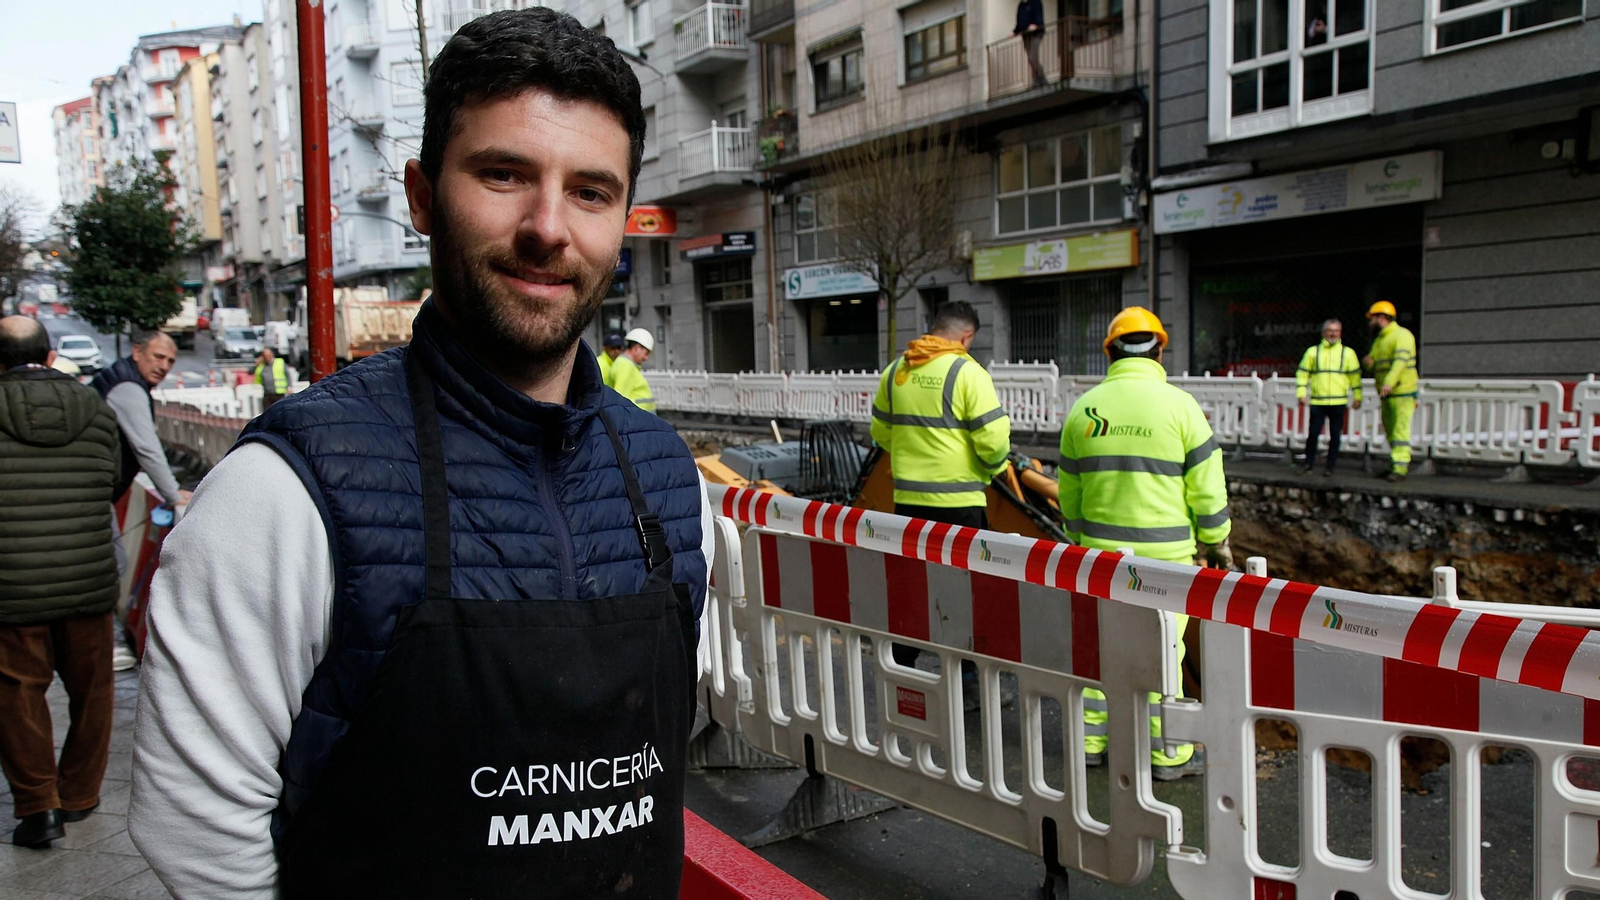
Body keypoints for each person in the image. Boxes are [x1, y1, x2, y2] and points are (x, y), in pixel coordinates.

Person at [130, 10, 714, 898]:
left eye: (590, 192)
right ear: (420, 195)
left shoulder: (672, 483)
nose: (548, 226)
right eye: (503, 174)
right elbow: (197, 832)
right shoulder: (284, 493)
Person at [1058, 306, 1231, 781]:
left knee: (1100, 647)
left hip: (1100, 556)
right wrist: (1216, 542)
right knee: (1164, 654)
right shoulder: (1181, 407)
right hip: (1167, 560)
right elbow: (1207, 489)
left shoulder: (1084, 409)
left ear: (1110, 352)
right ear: (1159, 352)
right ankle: (1167, 753)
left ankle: (1090, 742)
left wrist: (1080, 537)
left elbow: (1069, 491)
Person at [0, 316, 122, 849]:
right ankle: (79, 794)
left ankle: (38, 808)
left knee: (17, 693)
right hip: (87, 577)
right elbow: (112, 478)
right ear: (50, 356)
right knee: (92, 691)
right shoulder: (94, 406)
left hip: (11, 583)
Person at [870, 301, 1010, 682]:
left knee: (913, 590)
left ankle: (902, 672)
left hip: (908, 505)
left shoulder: (896, 371)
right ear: (966, 336)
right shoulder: (968, 373)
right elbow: (994, 442)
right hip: (961, 506)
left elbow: (880, 433)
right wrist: (993, 467)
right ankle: (968, 680)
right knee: (964, 592)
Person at [88, 330, 190, 671]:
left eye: (170, 361)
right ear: (137, 353)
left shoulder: (122, 380)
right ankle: (100, 645)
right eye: (158, 357)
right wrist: (172, 494)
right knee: (109, 564)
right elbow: (147, 447)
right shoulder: (128, 388)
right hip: (93, 493)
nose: (164, 366)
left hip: (95, 490)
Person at [1295, 318, 1362, 476]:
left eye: (1336, 331)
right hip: (1318, 401)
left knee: (1335, 436)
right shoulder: (1313, 352)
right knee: (1313, 434)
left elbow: (1355, 377)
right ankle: (1308, 464)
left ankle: (1330, 466)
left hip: (1339, 401)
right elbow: (1303, 374)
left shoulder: (1348, 353)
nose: (1333, 334)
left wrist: (1358, 396)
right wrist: (1301, 393)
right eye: (1330, 331)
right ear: (1323, 333)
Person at [1362, 301, 1418, 481]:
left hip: (1402, 390)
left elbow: (1400, 362)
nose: (1370, 322)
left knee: (1399, 429)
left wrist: (1388, 383)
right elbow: (1375, 364)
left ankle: (1400, 468)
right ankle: (1395, 463)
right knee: (1391, 429)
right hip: (1388, 392)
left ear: (1381, 317)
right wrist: (1368, 363)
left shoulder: (1402, 335)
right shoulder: (1381, 340)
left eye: (1372, 318)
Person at [606, 326, 656, 412]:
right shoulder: (624, 365)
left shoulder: (626, 365)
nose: (646, 358)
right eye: (646, 353)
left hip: (638, 417)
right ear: (637, 348)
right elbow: (620, 400)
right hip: (637, 418)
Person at [1014, 0, 1046, 87]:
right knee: (1030, 59)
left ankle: (1041, 78)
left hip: (1036, 34)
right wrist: (1015, 32)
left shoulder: (1035, 2)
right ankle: (1036, 79)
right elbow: (1019, 22)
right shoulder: (1021, 5)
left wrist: (1035, 25)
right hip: (1026, 35)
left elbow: (1039, 16)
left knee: (1033, 57)